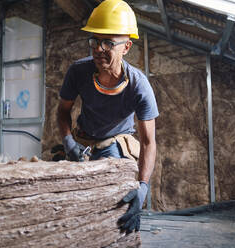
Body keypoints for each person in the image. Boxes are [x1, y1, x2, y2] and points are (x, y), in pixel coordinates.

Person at [57, 0, 159, 233]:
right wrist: (67, 141)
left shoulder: (139, 86)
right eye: (94, 41)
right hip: (82, 141)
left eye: (108, 43)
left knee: (116, 205)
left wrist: (142, 187)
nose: (98, 49)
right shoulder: (78, 72)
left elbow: (148, 142)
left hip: (115, 142)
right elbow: (63, 112)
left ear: (126, 47)